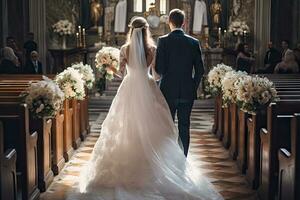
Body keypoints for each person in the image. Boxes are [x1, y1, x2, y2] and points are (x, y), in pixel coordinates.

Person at [67, 16, 222, 200]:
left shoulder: (125, 49)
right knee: (154, 126)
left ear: (131, 30)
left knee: (125, 126)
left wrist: (109, 68)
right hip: (148, 87)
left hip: (128, 87)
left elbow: (121, 73)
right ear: (146, 30)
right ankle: (161, 164)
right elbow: (157, 75)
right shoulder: (152, 49)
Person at [155, 9, 203, 157]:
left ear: (169, 22)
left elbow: (159, 69)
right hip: (187, 92)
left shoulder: (163, 41)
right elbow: (200, 70)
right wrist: (192, 87)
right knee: (184, 126)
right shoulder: (194, 42)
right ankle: (182, 159)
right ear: (184, 22)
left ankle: (168, 160)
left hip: (168, 91)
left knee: (167, 127)